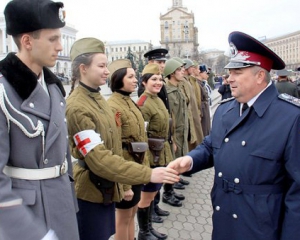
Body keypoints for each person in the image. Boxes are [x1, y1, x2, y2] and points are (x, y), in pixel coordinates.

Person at [168, 31, 300, 240]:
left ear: (260, 76)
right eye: (230, 72)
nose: (229, 79)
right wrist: (191, 160)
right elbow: (212, 146)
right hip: (224, 219)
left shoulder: (291, 117)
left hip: (262, 228)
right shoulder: (225, 110)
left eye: (238, 72)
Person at [66, 38, 179, 240]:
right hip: (91, 189)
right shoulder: (77, 106)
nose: (106, 71)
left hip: (108, 184)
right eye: (101, 66)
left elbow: (115, 145)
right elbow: (99, 159)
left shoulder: (98, 97)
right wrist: (147, 174)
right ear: (83, 68)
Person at [0, 1, 79, 239]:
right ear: (27, 41)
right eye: (53, 39)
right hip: (29, 214)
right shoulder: (4, 93)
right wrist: (28, 231)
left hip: (62, 202)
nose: (59, 46)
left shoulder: (53, 87)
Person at [106, 59, 148, 240]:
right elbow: (115, 148)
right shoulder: (113, 106)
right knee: (123, 218)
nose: (135, 80)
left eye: (135, 76)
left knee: (131, 214)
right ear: (118, 79)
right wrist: (124, 185)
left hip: (136, 168)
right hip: (125, 173)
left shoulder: (130, 102)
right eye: (130, 76)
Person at [136, 63, 173, 240]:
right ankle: (143, 232)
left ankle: (149, 228)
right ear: (144, 82)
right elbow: (140, 135)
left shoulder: (157, 99)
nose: (158, 82)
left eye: (160, 79)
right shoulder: (143, 103)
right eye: (154, 79)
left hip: (161, 152)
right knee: (146, 195)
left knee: (152, 194)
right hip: (151, 156)